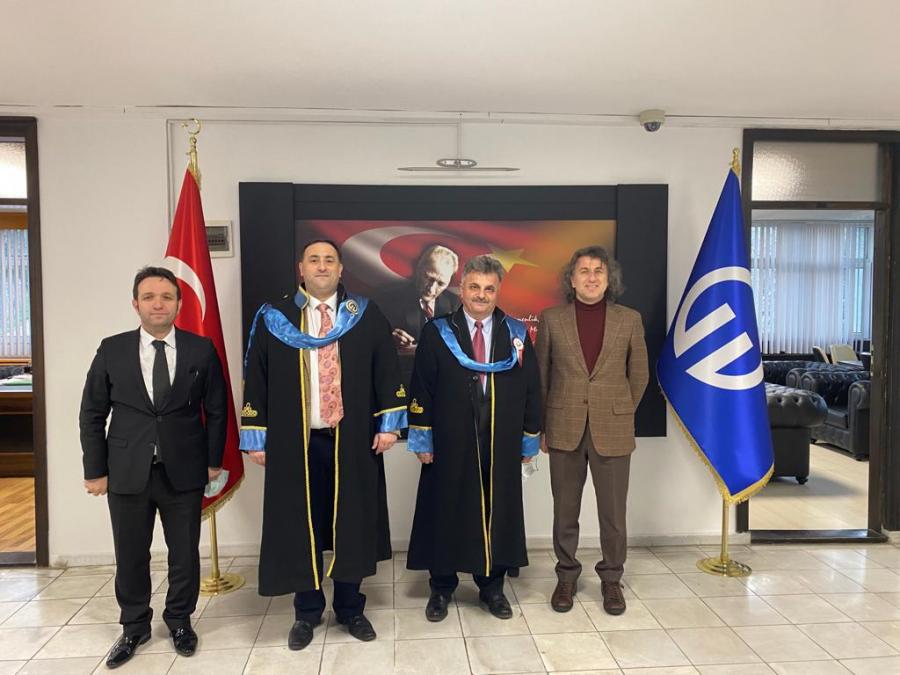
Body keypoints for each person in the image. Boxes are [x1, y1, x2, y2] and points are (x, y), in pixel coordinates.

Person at [240, 239, 406, 650]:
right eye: (313, 260)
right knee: (302, 525)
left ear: (340, 269)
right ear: (301, 268)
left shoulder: (363, 314)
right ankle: (307, 612)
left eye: (329, 260)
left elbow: (387, 369)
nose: (321, 266)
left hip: (352, 439)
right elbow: (256, 378)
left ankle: (350, 608)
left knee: (352, 523)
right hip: (295, 441)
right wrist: (256, 435)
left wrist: (389, 424)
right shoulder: (275, 318)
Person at [79, 266, 227, 669]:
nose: (158, 304)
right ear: (135, 304)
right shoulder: (112, 349)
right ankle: (134, 626)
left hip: (185, 470)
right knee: (130, 554)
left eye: (166, 297)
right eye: (149, 297)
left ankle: (179, 621)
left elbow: (217, 410)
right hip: (126, 471)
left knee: (184, 554)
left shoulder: (201, 349)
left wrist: (214, 461)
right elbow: (92, 413)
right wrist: (95, 470)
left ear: (179, 303)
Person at [406, 254, 542, 622]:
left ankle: (492, 587)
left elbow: (531, 387)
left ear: (498, 292)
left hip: (500, 439)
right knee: (445, 510)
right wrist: (422, 439)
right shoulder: (438, 332)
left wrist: (529, 439)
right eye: (474, 287)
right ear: (462, 289)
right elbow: (422, 387)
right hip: (450, 439)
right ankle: (441, 587)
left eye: (489, 289)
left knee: (498, 512)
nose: (481, 295)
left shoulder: (516, 334)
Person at [535, 246, 648, 616]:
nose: (591, 277)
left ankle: (612, 578)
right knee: (565, 511)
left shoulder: (629, 319)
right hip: (563, 427)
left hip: (613, 428)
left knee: (613, 514)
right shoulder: (551, 319)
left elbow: (639, 375)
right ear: (572, 279)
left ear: (608, 278)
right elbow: (541, 376)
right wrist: (542, 427)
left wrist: (618, 410)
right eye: (583, 270)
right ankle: (566, 575)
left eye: (598, 270)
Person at [383, 244, 460, 352]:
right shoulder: (390, 299)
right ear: (418, 269)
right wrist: (390, 338)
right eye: (428, 278)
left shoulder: (455, 304)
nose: (431, 289)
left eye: (441, 284)